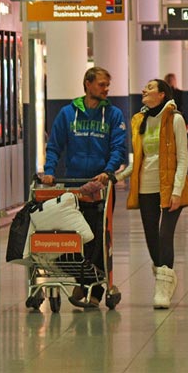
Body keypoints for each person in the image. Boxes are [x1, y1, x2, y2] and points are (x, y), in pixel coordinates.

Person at [42, 67, 128, 308]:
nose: (106, 89)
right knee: (77, 237)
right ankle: (83, 282)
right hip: (75, 186)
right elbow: (54, 146)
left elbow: (118, 148)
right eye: (101, 84)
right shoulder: (68, 114)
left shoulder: (113, 115)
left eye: (107, 85)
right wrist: (49, 172)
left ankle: (94, 290)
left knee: (100, 235)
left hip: (101, 186)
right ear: (88, 84)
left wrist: (108, 171)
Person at [115, 79, 188, 309]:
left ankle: (162, 289)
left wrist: (177, 191)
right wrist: (117, 176)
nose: (144, 90)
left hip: (169, 188)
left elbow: (183, 158)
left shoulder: (175, 119)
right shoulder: (141, 121)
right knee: (151, 239)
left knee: (164, 235)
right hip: (145, 188)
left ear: (162, 94)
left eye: (150, 88)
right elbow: (139, 160)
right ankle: (166, 276)